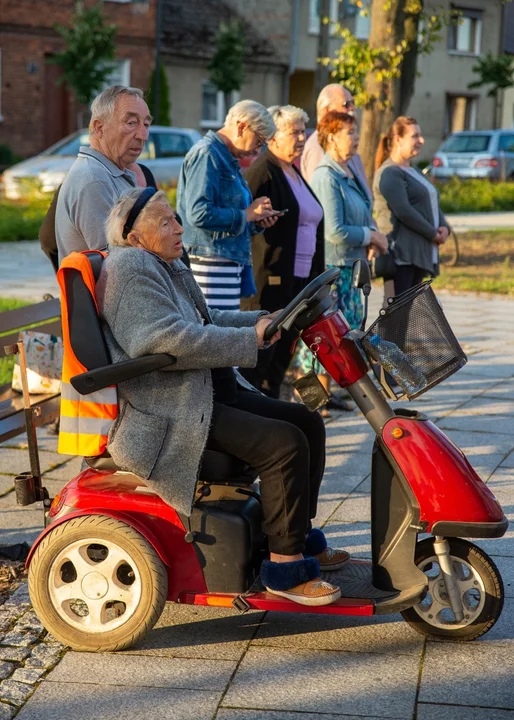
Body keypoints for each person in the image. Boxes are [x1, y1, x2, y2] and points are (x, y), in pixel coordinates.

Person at [97, 186, 350, 606]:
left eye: (176, 217)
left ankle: (296, 538)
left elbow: (206, 319)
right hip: (174, 408)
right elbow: (165, 340)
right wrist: (247, 340)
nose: (180, 227)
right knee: (283, 445)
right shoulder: (131, 270)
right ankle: (285, 569)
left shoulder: (160, 262)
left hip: (208, 391)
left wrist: (263, 320)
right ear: (135, 236)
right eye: (166, 222)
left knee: (306, 421)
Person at [240, 104, 325, 398]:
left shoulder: (294, 170)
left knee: (281, 358)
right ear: (273, 138)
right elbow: (245, 216)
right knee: (262, 359)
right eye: (294, 132)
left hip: (300, 281)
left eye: (304, 132)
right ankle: (255, 415)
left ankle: (273, 407)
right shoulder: (263, 170)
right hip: (271, 281)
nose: (301, 138)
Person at [176, 100, 279, 311]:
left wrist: (257, 221)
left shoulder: (224, 157)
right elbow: (198, 213)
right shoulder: (207, 154)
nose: (257, 151)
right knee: (215, 336)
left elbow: (231, 218)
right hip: (208, 261)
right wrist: (248, 214)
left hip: (222, 261)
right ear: (241, 127)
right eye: (258, 141)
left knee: (224, 335)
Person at [55, 85, 151, 263]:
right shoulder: (94, 179)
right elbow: (115, 264)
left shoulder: (109, 172)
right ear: (99, 127)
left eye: (146, 124)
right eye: (131, 123)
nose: (143, 135)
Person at [310, 111, 388, 330]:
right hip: (336, 272)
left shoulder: (350, 169)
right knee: (337, 338)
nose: (357, 137)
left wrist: (370, 236)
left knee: (353, 334)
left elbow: (363, 208)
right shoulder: (326, 177)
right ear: (333, 137)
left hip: (354, 267)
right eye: (350, 132)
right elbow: (334, 230)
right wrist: (371, 236)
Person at [373, 117, 450, 295]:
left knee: (409, 315)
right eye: (415, 136)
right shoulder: (390, 173)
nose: (421, 141)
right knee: (396, 315)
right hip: (400, 256)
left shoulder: (413, 170)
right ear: (398, 139)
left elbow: (430, 201)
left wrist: (444, 226)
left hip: (417, 255)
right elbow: (404, 211)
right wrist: (433, 234)